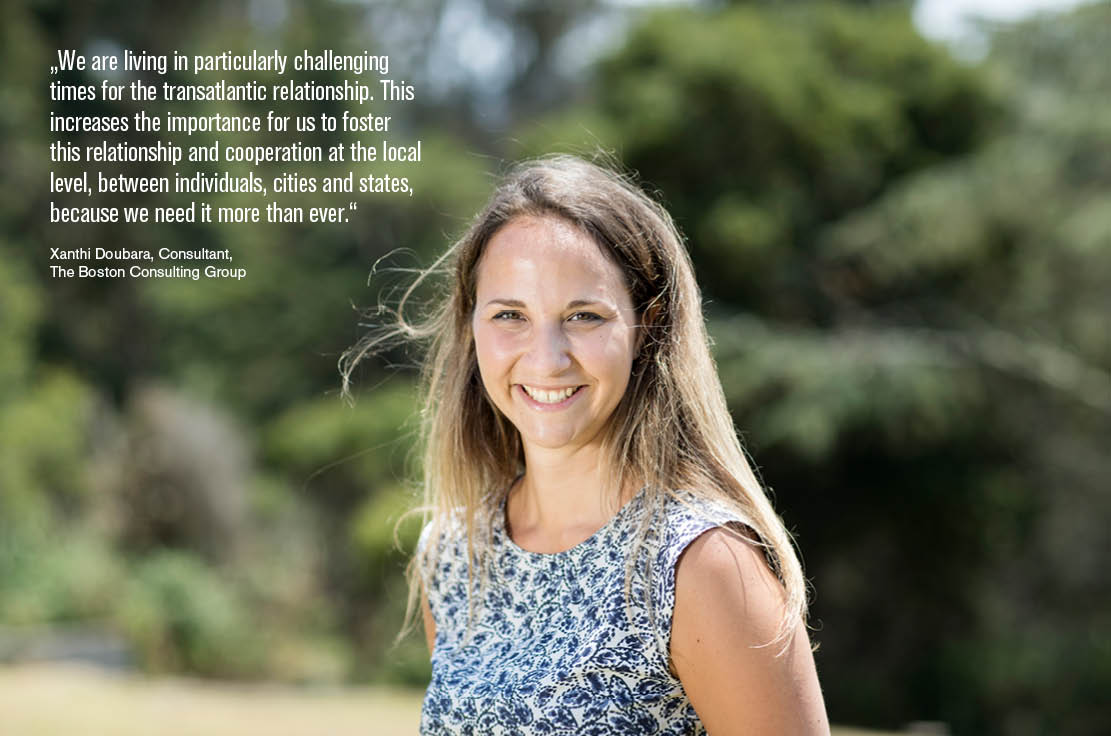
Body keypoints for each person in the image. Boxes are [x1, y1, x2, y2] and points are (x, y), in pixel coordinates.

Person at [342, 155, 829, 734]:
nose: (547, 359)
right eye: (510, 315)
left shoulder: (704, 564)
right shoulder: (454, 556)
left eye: (583, 316)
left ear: (647, 327)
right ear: (471, 325)